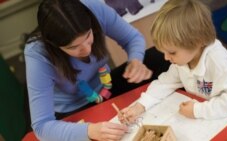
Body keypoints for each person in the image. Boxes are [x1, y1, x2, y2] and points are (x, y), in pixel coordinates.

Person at [24, 0, 170, 140]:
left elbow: (132, 38)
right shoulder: (37, 53)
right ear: (54, 45)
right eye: (73, 47)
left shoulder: (92, 8)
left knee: (160, 57)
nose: (87, 50)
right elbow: (41, 126)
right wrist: (90, 131)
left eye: (88, 36)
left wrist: (135, 60)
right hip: (74, 108)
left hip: (107, 86)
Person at [118, 0, 227, 124]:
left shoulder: (217, 62)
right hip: (210, 117)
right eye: (164, 52)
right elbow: (165, 83)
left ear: (197, 41)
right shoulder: (183, 60)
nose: (166, 58)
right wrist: (140, 105)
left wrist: (197, 110)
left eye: (172, 52)